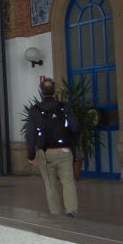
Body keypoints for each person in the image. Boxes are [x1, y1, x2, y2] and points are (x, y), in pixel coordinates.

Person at [26, 77, 80, 217]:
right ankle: (71, 211)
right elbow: (75, 127)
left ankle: (55, 213)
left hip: (45, 153)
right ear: (54, 91)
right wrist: (72, 142)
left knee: (50, 184)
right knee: (68, 181)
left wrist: (31, 155)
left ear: (41, 91)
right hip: (64, 150)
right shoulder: (64, 107)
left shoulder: (35, 110)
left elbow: (30, 134)